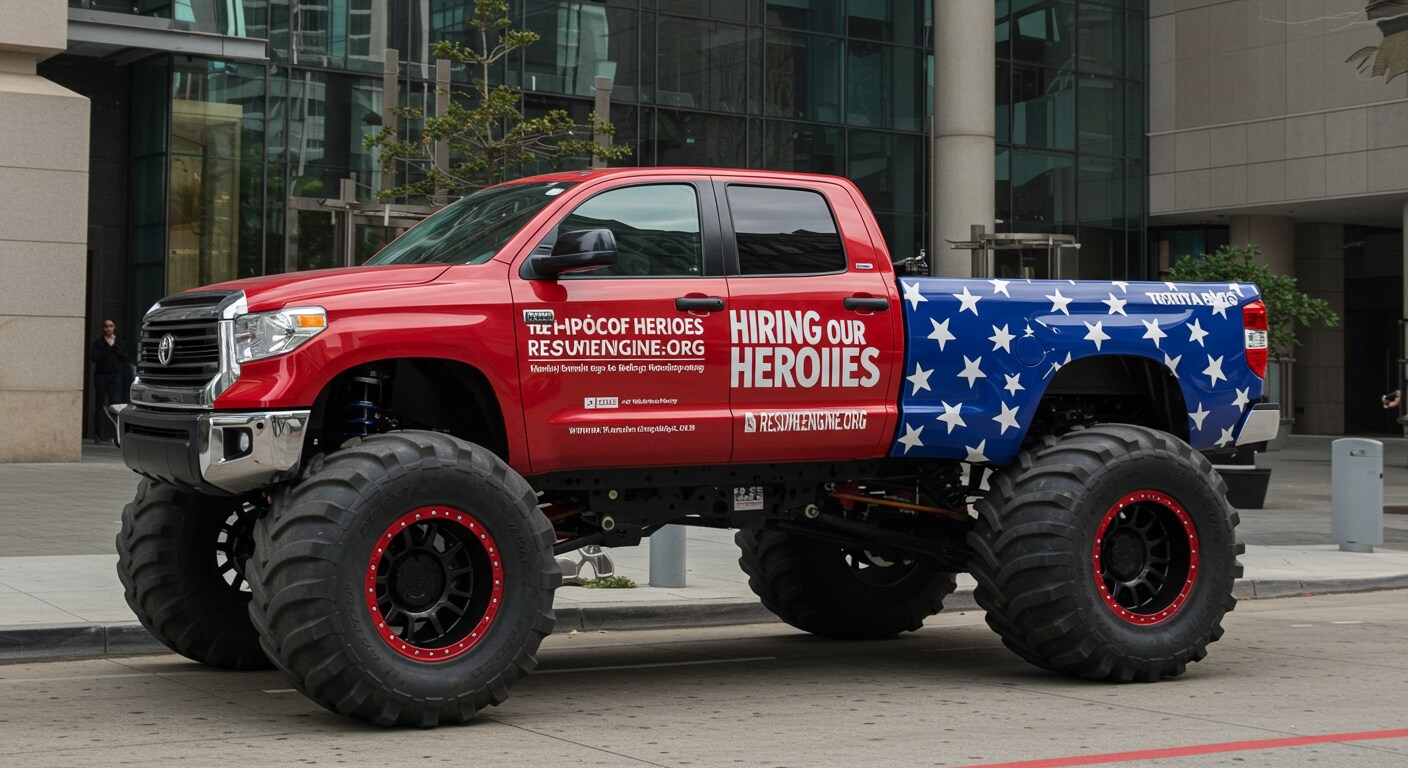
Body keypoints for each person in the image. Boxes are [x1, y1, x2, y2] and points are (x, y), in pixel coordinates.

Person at [89, 319, 128, 443]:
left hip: (115, 377)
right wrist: (108, 347)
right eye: (106, 326)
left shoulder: (120, 343)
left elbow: (124, 357)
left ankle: (114, 435)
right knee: (99, 405)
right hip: (101, 376)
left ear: (114, 327)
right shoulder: (98, 343)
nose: (108, 328)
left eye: (111, 326)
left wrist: (114, 346)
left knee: (115, 405)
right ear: (102, 328)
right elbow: (95, 358)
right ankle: (98, 434)